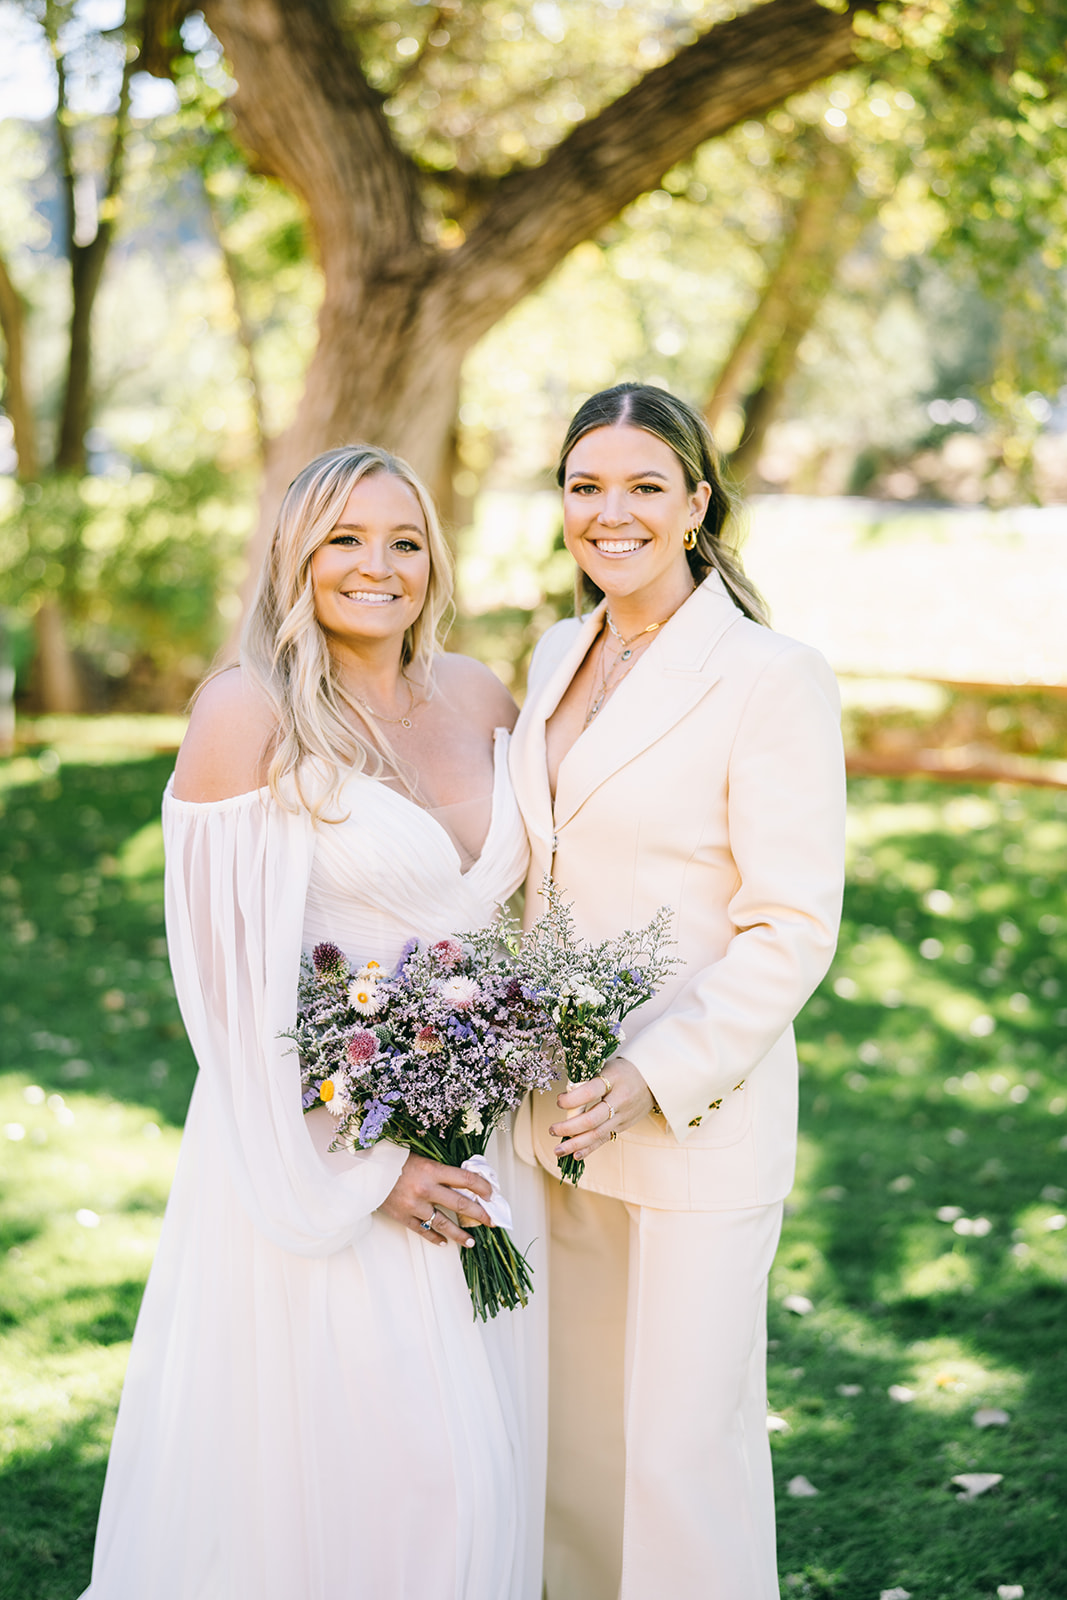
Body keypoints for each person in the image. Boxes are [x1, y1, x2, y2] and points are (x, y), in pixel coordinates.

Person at [80, 445, 545, 1600]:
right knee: (378, 1480)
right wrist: (369, 1172)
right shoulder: (246, 712)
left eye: (402, 539)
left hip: (479, 1145)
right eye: (344, 538)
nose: (376, 566)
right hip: (320, 1154)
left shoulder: (484, 696)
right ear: (295, 553)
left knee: (480, 1466)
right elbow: (224, 990)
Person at [509, 383, 846, 1600]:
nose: (612, 512)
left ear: (696, 505)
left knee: (674, 1462)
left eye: (644, 485)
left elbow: (789, 926)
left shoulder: (770, 677)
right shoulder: (554, 653)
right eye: (585, 485)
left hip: (689, 1126)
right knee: (574, 1448)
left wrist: (651, 1075)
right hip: (548, 1124)